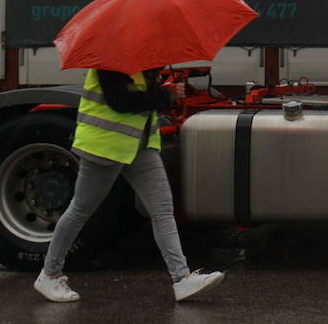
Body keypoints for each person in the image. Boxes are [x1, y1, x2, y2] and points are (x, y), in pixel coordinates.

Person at [33, 67, 224, 303]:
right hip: (105, 146)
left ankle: (182, 278)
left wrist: (164, 89)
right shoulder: (109, 60)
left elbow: (143, 100)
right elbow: (121, 101)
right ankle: (50, 274)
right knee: (80, 210)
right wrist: (167, 95)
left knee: (162, 209)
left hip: (139, 145)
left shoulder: (142, 63)